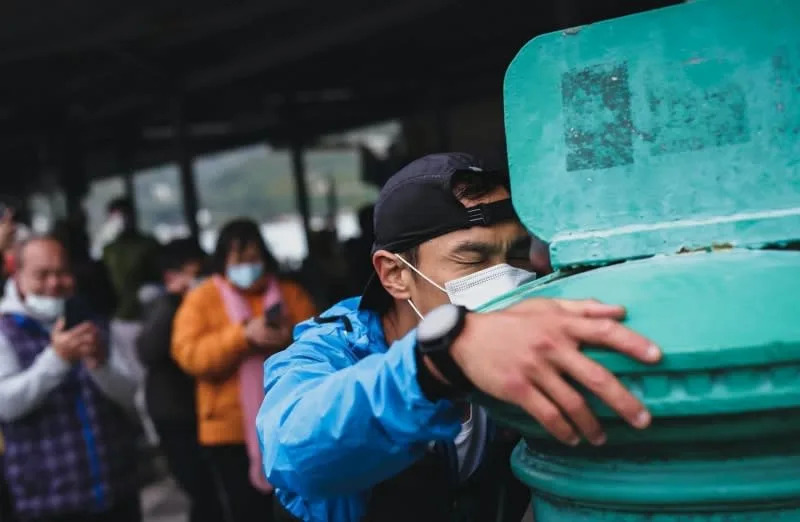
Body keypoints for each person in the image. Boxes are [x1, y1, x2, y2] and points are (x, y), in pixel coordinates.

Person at [257, 153, 661, 522]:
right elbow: (292, 450)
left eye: (516, 254)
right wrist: (438, 362)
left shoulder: (529, 342)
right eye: (473, 259)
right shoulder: (331, 350)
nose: (506, 277)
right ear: (395, 275)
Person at [171, 219, 317, 522]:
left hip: (289, 421)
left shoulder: (291, 294)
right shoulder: (201, 298)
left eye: (254, 258)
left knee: (298, 508)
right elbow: (189, 356)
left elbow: (318, 345)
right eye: (239, 259)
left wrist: (287, 337)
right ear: (223, 260)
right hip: (229, 432)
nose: (247, 266)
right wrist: (243, 336)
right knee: (246, 511)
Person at [0, 237, 141, 522]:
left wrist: (101, 366)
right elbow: (6, 404)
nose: (54, 283)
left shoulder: (90, 319)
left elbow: (130, 395)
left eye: (62, 273)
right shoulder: (5, 328)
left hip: (116, 491)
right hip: (48, 500)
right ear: (18, 275)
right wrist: (56, 360)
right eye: (42, 275)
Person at [136, 238, 226, 522]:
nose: (203, 280)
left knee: (216, 492)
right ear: (170, 277)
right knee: (201, 491)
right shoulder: (162, 306)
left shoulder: (215, 299)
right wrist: (175, 300)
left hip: (209, 409)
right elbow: (147, 350)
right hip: (176, 414)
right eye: (195, 273)